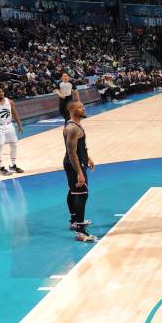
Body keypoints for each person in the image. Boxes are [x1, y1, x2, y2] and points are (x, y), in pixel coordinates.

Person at [63, 101, 97, 242]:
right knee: (82, 195)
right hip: (73, 164)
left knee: (73, 192)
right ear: (72, 110)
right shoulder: (73, 128)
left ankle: (74, 221)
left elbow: (79, 147)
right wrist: (79, 172)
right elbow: (71, 153)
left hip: (77, 162)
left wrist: (88, 158)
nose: (84, 109)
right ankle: (80, 230)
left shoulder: (75, 125)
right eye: (80, 107)